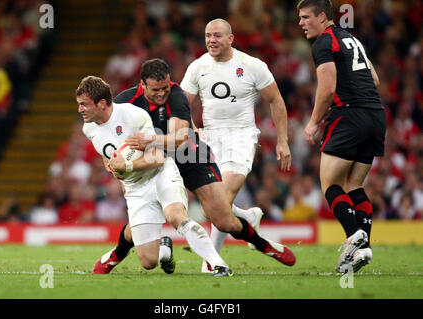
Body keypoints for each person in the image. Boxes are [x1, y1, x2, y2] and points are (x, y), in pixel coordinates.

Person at [114, 58, 295, 273]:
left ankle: (262, 244)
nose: (162, 94)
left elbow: (180, 138)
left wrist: (149, 140)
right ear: (142, 85)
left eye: (165, 87)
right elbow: (114, 140)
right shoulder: (124, 103)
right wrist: (122, 168)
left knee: (223, 220)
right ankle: (159, 248)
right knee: (154, 223)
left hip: (190, 157)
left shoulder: (177, 95)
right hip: (154, 163)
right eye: (156, 90)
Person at [76, 75, 232, 276]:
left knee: (176, 216)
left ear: (102, 103)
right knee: (149, 261)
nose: (80, 109)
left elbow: (157, 158)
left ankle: (218, 264)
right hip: (136, 188)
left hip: (160, 173)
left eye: (84, 104)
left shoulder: (134, 115)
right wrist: (111, 166)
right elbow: (110, 154)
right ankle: (164, 247)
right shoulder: (88, 128)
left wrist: (128, 166)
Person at [179, 19, 293, 270]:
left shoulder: (252, 65)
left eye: (217, 35)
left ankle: (211, 262)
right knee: (212, 210)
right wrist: (193, 129)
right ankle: (248, 216)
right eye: (208, 35)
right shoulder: (198, 67)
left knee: (220, 198)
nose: (211, 40)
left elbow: (275, 100)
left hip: (241, 137)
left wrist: (282, 140)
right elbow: (181, 105)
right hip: (210, 139)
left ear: (231, 39)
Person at [297, 0, 386, 273]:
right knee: (354, 186)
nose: (301, 23)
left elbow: (327, 88)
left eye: (305, 17)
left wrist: (313, 123)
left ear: (322, 17)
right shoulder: (352, 39)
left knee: (330, 185)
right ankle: (364, 249)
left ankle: (353, 235)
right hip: (375, 115)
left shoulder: (324, 42)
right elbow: (375, 79)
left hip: (349, 115)